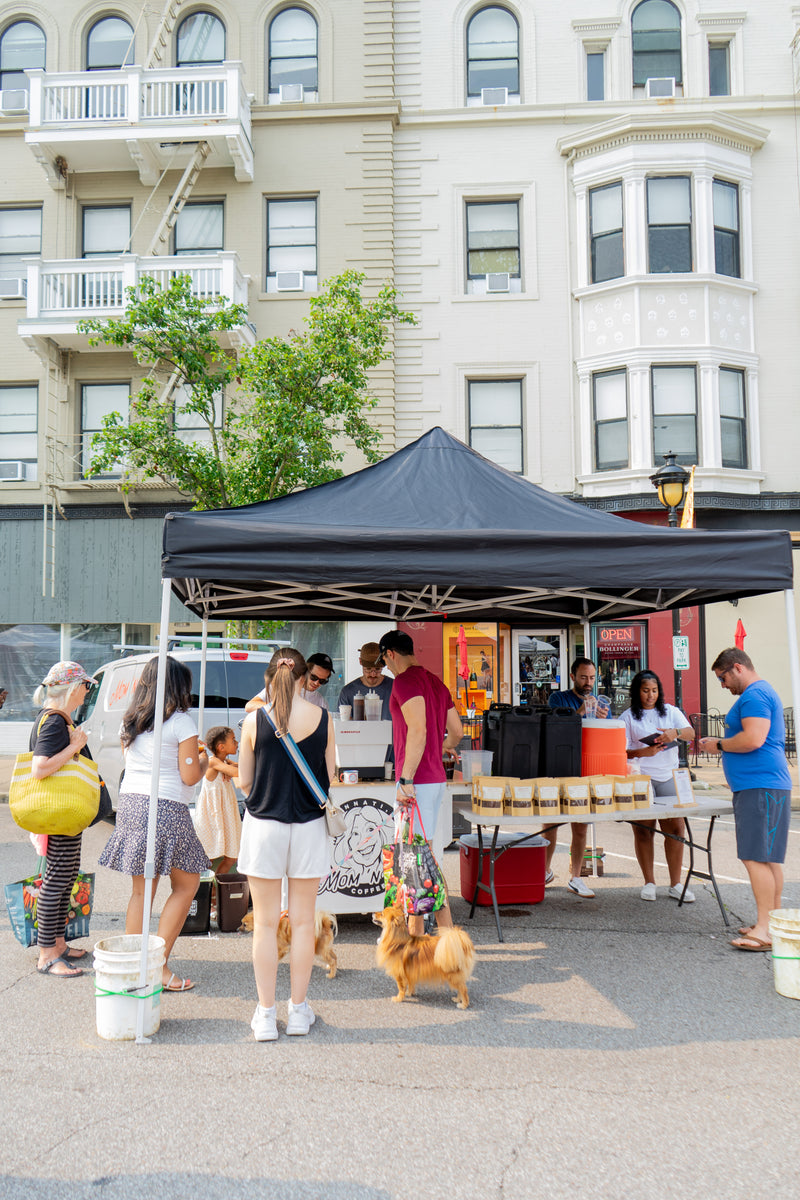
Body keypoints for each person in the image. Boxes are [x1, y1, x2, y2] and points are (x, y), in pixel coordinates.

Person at [237, 648, 335, 1040]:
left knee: (263, 924)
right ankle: (297, 1012)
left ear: (270, 676)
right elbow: (329, 778)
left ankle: (265, 1015)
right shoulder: (323, 718)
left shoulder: (251, 721)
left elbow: (245, 782)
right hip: (309, 827)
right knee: (302, 922)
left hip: (263, 827)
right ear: (302, 679)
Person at [99, 656, 210, 993]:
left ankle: (134, 967)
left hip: (131, 803)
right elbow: (190, 776)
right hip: (165, 807)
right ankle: (157, 967)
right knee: (187, 885)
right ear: (178, 687)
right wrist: (204, 759)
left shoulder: (130, 721)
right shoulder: (181, 723)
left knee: (140, 891)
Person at [698, 648, 792, 952]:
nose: (723, 685)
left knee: (754, 857)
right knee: (766, 858)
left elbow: (753, 739)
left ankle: (764, 929)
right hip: (765, 785)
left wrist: (718, 744)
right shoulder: (762, 693)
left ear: (737, 668)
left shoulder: (753, 696)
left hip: (759, 787)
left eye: (723, 678)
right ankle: (770, 923)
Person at [377, 630, 463, 936]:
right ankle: (443, 932)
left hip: (417, 781)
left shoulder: (405, 681)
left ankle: (418, 936)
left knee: (414, 859)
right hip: (435, 778)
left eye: (384, 661)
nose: (386, 668)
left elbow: (418, 729)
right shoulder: (436, 682)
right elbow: (457, 732)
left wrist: (406, 778)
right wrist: (437, 750)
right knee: (424, 857)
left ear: (390, 654)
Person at [29, 661, 98, 977]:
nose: (86, 693)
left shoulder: (55, 719)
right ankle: (47, 954)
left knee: (65, 876)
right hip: (58, 814)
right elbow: (40, 768)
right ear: (72, 688)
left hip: (61, 813)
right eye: (85, 686)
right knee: (57, 880)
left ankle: (57, 944)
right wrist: (74, 746)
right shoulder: (55, 721)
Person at [620, 670, 696, 903]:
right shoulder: (628, 717)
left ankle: (676, 883)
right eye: (645, 691)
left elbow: (691, 734)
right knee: (643, 830)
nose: (650, 695)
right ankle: (649, 882)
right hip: (642, 777)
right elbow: (620, 751)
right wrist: (642, 752)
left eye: (654, 691)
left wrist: (676, 733)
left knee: (675, 830)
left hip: (670, 776)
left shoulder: (672, 712)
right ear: (636, 692)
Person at [544, 657, 610, 899]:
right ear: (573, 676)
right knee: (550, 822)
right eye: (583, 677)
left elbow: (604, 737)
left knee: (581, 824)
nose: (588, 682)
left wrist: (603, 721)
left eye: (592, 678)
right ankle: (545, 870)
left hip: (586, 764)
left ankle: (576, 877)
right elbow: (555, 727)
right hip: (559, 764)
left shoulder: (601, 702)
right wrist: (580, 712)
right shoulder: (559, 698)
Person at [193, 725, 241, 920]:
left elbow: (236, 769)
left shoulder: (222, 761)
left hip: (224, 817)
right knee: (208, 859)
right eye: (233, 740)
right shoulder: (214, 762)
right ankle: (203, 898)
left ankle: (214, 896)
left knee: (231, 857)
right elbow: (238, 773)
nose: (237, 743)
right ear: (221, 746)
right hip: (211, 818)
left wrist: (232, 763)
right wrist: (234, 765)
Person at [245, 651, 333, 712]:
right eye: (313, 677)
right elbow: (250, 705)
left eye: (322, 681)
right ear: (305, 671)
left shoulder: (321, 702)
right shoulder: (282, 686)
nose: (316, 683)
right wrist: (278, 709)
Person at [337, 641, 393, 718]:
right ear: (360, 661)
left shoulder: (394, 688)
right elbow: (343, 724)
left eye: (377, 669)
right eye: (368, 669)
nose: (373, 674)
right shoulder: (347, 692)